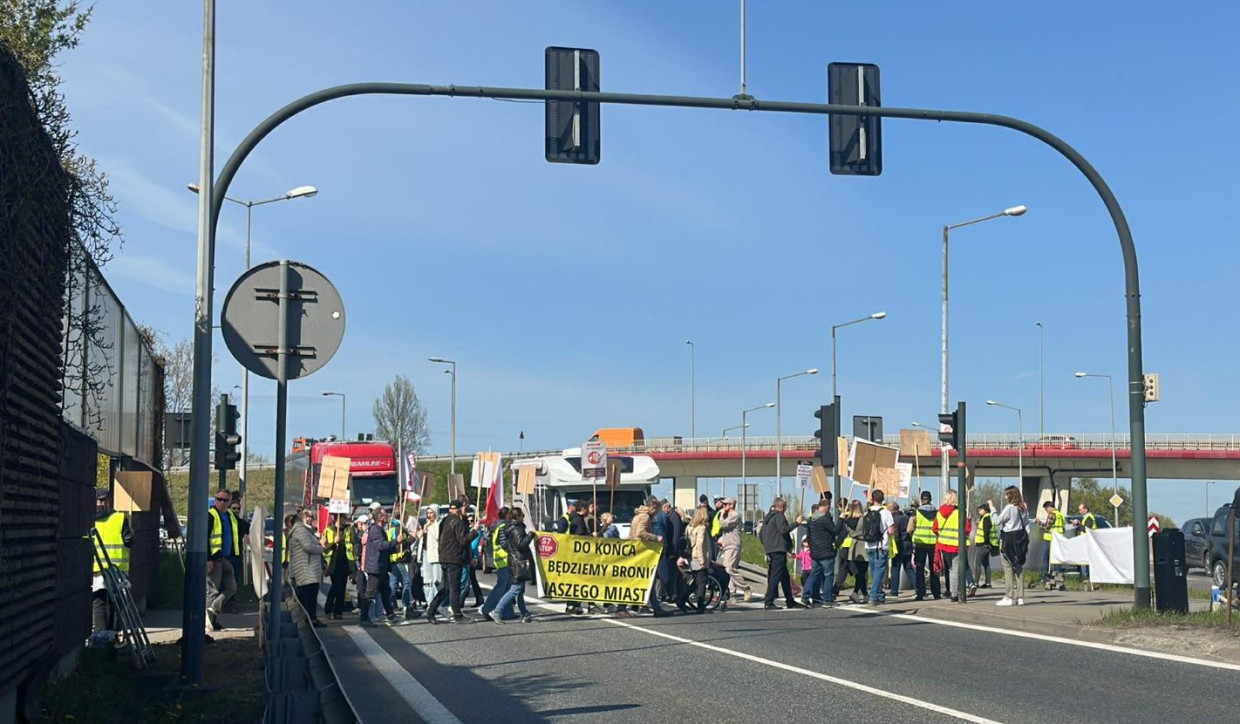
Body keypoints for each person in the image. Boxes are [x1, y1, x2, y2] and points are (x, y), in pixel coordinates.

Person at [426, 500, 481, 624]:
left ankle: (431, 610)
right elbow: (463, 540)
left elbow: (460, 532)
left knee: (446, 588)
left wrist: (465, 518)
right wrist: (475, 530)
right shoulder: (456, 521)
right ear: (460, 509)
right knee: (454, 588)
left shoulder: (445, 520)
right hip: (454, 558)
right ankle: (457, 615)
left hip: (444, 557)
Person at [91, 488, 133, 633]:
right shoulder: (119, 518)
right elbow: (129, 541)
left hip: (96, 571)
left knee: (99, 602)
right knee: (117, 604)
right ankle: (113, 635)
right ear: (109, 501)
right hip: (117, 570)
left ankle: (100, 635)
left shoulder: (87, 519)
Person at [359, 508, 403, 627]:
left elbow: (386, 548)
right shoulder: (375, 530)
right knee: (370, 593)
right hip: (375, 567)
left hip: (381, 567)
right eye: (385, 515)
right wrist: (395, 541)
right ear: (380, 517)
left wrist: (399, 544)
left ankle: (390, 614)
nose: (387, 517)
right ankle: (364, 618)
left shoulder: (380, 530)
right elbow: (381, 546)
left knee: (385, 592)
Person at [759, 498, 805, 610]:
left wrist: (767, 545)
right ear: (783, 507)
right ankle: (769, 601)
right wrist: (796, 523)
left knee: (784, 577)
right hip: (778, 550)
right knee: (775, 576)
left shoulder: (768, 518)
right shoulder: (779, 516)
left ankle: (790, 600)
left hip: (771, 549)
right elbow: (784, 530)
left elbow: (761, 534)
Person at [206, 490, 242, 632]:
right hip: (214, 559)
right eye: (219, 499)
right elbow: (205, 537)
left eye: (225, 500)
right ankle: (210, 621)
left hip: (226, 558)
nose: (221, 502)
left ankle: (212, 611)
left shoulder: (230, 516)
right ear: (215, 500)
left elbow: (243, 527)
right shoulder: (211, 515)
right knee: (213, 590)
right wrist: (208, 559)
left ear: (230, 502)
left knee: (232, 587)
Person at [492, 508, 535, 623]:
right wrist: (530, 535)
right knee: (515, 589)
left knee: (520, 590)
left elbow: (508, 545)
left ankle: (525, 613)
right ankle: (497, 611)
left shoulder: (511, 528)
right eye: (522, 515)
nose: (523, 517)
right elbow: (521, 544)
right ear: (518, 516)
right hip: (519, 562)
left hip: (515, 561)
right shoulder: (516, 529)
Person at [631, 498, 669, 617]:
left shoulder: (638, 515)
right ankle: (655, 608)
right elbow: (640, 532)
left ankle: (647, 607)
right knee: (649, 579)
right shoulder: (645, 517)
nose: (657, 514)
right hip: (642, 552)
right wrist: (655, 537)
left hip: (636, 550)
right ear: (653, 508)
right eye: (657, 511)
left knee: (641, 580)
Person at [800, 497, 840, 607]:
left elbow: (809, 536)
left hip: (815, 552)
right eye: (829, 508)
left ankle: (805, 597)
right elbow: (835, 531)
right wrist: (841, 519)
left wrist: (812, 548)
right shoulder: (825, 519)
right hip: (826, 551)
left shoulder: (811, 519)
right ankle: (827, 600)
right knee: (828, 576)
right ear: (826, 507)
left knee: (813, 575)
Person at [994, 486, 1031, 606]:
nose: (1005, 497)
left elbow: (997, 521)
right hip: (1020, 539)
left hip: (1008, 539)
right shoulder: (1024, 507)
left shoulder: (1009, 508)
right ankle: (1020, 597)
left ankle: (1009, 596)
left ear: (1010, 495)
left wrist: (992, 509)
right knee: (1018, 567)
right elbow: (1026, 523)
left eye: (1006, 495)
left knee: (1008, 567)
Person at [288, 508, 325, 625]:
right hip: (306, 569)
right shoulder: (300, 530)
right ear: (303, 518)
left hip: (309, 569)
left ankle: (311, 618)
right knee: (307, 596)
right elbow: (307, 546)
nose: (312, 519)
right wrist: (321, 548)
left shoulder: (306, 530)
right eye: (310, 517)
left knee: (311, 595)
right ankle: (308, 620)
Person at [933, 490, 971, 602]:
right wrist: (968, 519)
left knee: (950, 569)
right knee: (956, 570)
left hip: (944, 545)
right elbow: (967, 529)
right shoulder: (960, 512)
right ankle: (955, 594)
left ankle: (952, 592)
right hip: (956, 545)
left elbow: (935, 529)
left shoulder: (939, 513)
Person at [477, 508, 512, 622]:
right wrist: (513, 550)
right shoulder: (503, 527)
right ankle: (487, 608)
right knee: (502, 586)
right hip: (504, 558)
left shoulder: (496, 526)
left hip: (500, 559)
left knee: (507, 587)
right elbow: (503, 543)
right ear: (506, 515)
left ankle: (507, 612)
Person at [678, 505, 714, 614]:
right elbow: (700, 545)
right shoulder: (702, 528)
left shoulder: (689, 527)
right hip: (699, 557)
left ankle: (682, 599)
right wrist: (702, 561)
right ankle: (700, 606)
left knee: (696, 581)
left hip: (692, 557)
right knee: (702, 582)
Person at [863, 489, 896, 605]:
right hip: (881, 545)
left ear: (872, 499)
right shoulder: (886, 512)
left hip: (869, 544)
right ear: (883, 499)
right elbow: (891, 531)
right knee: (879, 571)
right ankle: (873, 596)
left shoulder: (867, 512)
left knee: (874, 571)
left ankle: (879, 594)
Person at [321, 513, 356, 620]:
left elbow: (353, 544)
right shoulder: (329, 529)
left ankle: (338, 612)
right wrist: (333, 542)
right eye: (343, 518)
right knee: (336, 586)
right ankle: (328, 609)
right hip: (333, 563)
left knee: (342, 588)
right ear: (338, 519)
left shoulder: (348, 529)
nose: (345, 520)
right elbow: (324, 548)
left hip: (345, 562)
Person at [715, 498, 751, 601]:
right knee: (728, 570)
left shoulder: (735, 515)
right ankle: (731, 591)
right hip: (727, 545)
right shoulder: (728, 515)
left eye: (725, 504)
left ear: (731, 505)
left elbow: (723, 525)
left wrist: (721, 514)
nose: (723, 506)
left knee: (729, 568)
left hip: (733, 545)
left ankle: (745, 587)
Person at [909, 491, 940, 601]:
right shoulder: (937, 513)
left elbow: (909, 528)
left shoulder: (917, 513)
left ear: (921, 500)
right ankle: (936, 593)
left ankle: (920, 593)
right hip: (933, 544)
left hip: (920, 543)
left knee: (919, 569)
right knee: (934, 568)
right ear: (930, 499)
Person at [969, 503, 998, 595]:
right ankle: (988, 583)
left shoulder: (986, 518)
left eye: (980, 510)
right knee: (986, 563)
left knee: (977, 563)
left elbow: (986, 532)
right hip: (986, 544)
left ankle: (976, 582)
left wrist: (986, 543)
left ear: (985, 510)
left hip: (983, 544)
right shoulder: (987, 517)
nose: (979, 511)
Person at [845, 500, 869, 603]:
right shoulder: (864, 519)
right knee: (862, 572)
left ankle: (864, 594)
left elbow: (850, 533)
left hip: (854, 545)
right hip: (863, 545)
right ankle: (856, 592)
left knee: (859, 572)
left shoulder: (847, 521)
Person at [887, 499, 912, 598]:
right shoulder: (906, 517)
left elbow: (895, 534)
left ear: (892, 510)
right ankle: (918, 588)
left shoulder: (894, 519)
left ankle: (894, 591)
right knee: (908, 568)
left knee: (895, 568)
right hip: (907, 544)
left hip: (899, 546)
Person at [1038, 500, 1066, 590]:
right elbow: (1063, 528)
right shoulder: (1060, 515)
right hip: (1059, 539)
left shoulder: (1052, 514)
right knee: (1057, 560)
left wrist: (1039, 523)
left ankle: (1045, 578)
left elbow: (1047, 527)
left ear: (1049, 507)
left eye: (1046, 509)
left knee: (1045, 559)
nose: (1046, 511)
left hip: (1050, 538)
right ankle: (1058, 579)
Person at [419, 507, 442, 604]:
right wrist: (424, 529)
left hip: (436, 556)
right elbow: (420, 538)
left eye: (431, 513)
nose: (429, 515)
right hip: (426, 554)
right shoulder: (426, 525)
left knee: (436, 581)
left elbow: (437, 536)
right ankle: (429, 601)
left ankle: (436, 602)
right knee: (427, 581)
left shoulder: (439, 524)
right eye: (428, 513)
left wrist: (431, 527)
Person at [1076, 503, 1099, 589]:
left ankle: (1086, 579)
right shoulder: (1086, 518)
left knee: (1085, 561)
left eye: (1081, 510)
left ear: (1085, 509)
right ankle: (1086, 579)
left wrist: (1078, 524)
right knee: (1084, 560)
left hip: (1088, 542)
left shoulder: (1089, 518)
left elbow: (1087, 529)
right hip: (1085, 541)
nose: (1079, 512)